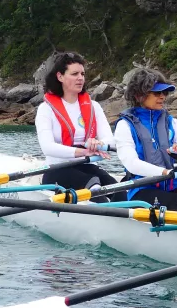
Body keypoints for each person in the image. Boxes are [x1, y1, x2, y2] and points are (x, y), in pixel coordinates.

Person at [114, 68, 177, 215]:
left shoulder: (171, 122)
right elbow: (131, 164)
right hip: (142, 189)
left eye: (165, 93)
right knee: (174, 202)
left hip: (173, 185)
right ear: (138, 95)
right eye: (157, 93)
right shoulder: (125, 125)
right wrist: (165, 172)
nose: (162, 97)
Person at [35, 51, 126, 202]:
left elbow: (111, 140)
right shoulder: (46, 109)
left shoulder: (93, 106)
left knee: (120, 193)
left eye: (82, 74)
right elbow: (47, 147)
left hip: (86, 166)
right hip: (56, 171)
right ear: (60, 77)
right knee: (94, 189)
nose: (80, 78)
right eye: (75, 74)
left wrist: (100, 144)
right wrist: (83, 151)